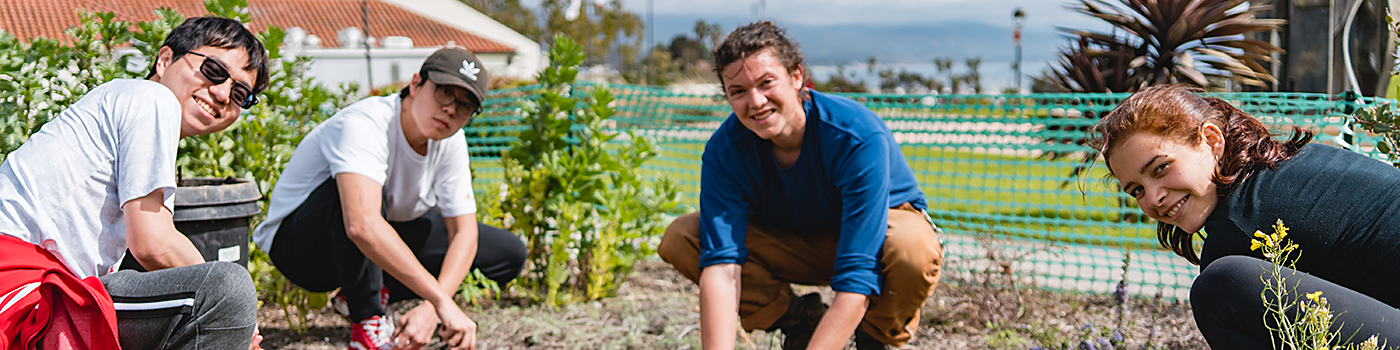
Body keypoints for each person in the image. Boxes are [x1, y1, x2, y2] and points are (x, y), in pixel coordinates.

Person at [657, 21, 944, 350]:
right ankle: (799, 319)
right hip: (792, 242)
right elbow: (722, 270)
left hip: (870, 243)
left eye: (766, 83)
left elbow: (857, 274)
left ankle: (875, 336)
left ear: (796, 76)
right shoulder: (725, 152)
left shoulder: (854, 134)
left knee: (912, 248)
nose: (756, 101)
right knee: (684, 237)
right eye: (738, 91)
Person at [0, 16, 268, 350]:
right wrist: (239, 317)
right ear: (165, 59)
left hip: (41, 292)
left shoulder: (124, 99)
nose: (223, 93)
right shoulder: (151, 98)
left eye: (241, 93)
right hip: (20, 290)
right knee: (227, 289)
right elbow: (153, 242)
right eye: (214, 71)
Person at [252, 47, 526, 350]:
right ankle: (367, 320)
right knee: (360, 193)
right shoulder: (366, 123)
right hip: (302, 250)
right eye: (445, 92)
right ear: (415, 83)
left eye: (465, 105)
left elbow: (464, 233)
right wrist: (439, 300)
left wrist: (434, 307)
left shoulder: (450, 142)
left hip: (368, 237)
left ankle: (358, 296)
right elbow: (362, 224)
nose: (451, 109)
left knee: (505, 253)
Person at [1091, 84, 1400, 348]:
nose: (1154, 198)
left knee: (1219, 291)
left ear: (1212, 140)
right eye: (1137, 191)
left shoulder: (1239, 226)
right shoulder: (1299, 161)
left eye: (1161, 168)